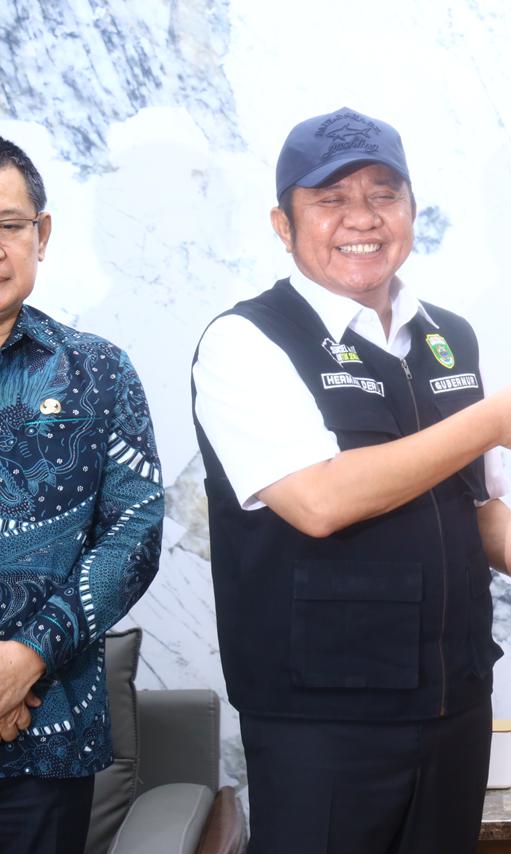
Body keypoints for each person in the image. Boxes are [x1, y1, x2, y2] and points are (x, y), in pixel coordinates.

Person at [191, 107, 511, 854]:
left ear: (412, 211)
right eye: (331, 199)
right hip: (322, 723)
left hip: (456, 702)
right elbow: (319, 500)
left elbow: (477, 504)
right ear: (282, 224)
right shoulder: (246, 340)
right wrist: (492, 420)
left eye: (383, 195)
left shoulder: (448, 336)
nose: (362, 218)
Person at [0, 137, 164, 854]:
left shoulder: (97, 371)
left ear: (42, 234)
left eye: (9, 225)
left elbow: (136, 532)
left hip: (46, 735)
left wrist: (27, 657)